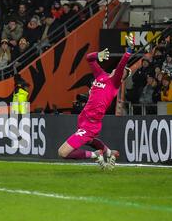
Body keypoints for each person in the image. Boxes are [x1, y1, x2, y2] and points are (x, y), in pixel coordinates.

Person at [57, 35, 134, 170]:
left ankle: (95, 155)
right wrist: (98, 54)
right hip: (83, 118)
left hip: (91, 123)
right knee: (91, 141)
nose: (120, 72)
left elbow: (121, 65)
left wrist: (128, 51)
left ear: (121, 79)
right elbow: (89, 58)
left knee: (62, 152)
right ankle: (109, 152)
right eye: (122, 71)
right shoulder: (101, 75)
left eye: (123, 73)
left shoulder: (114, 83)